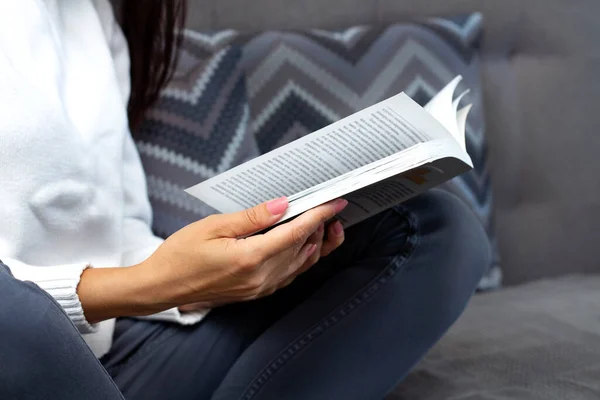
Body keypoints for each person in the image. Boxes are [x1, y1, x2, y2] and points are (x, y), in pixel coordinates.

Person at [0, 1, 490, 399]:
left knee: (432, 228)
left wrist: (208, 279)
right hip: (24, 351)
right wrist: (148, 283)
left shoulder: (91, 13)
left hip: (125, 347)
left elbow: (121, 230)